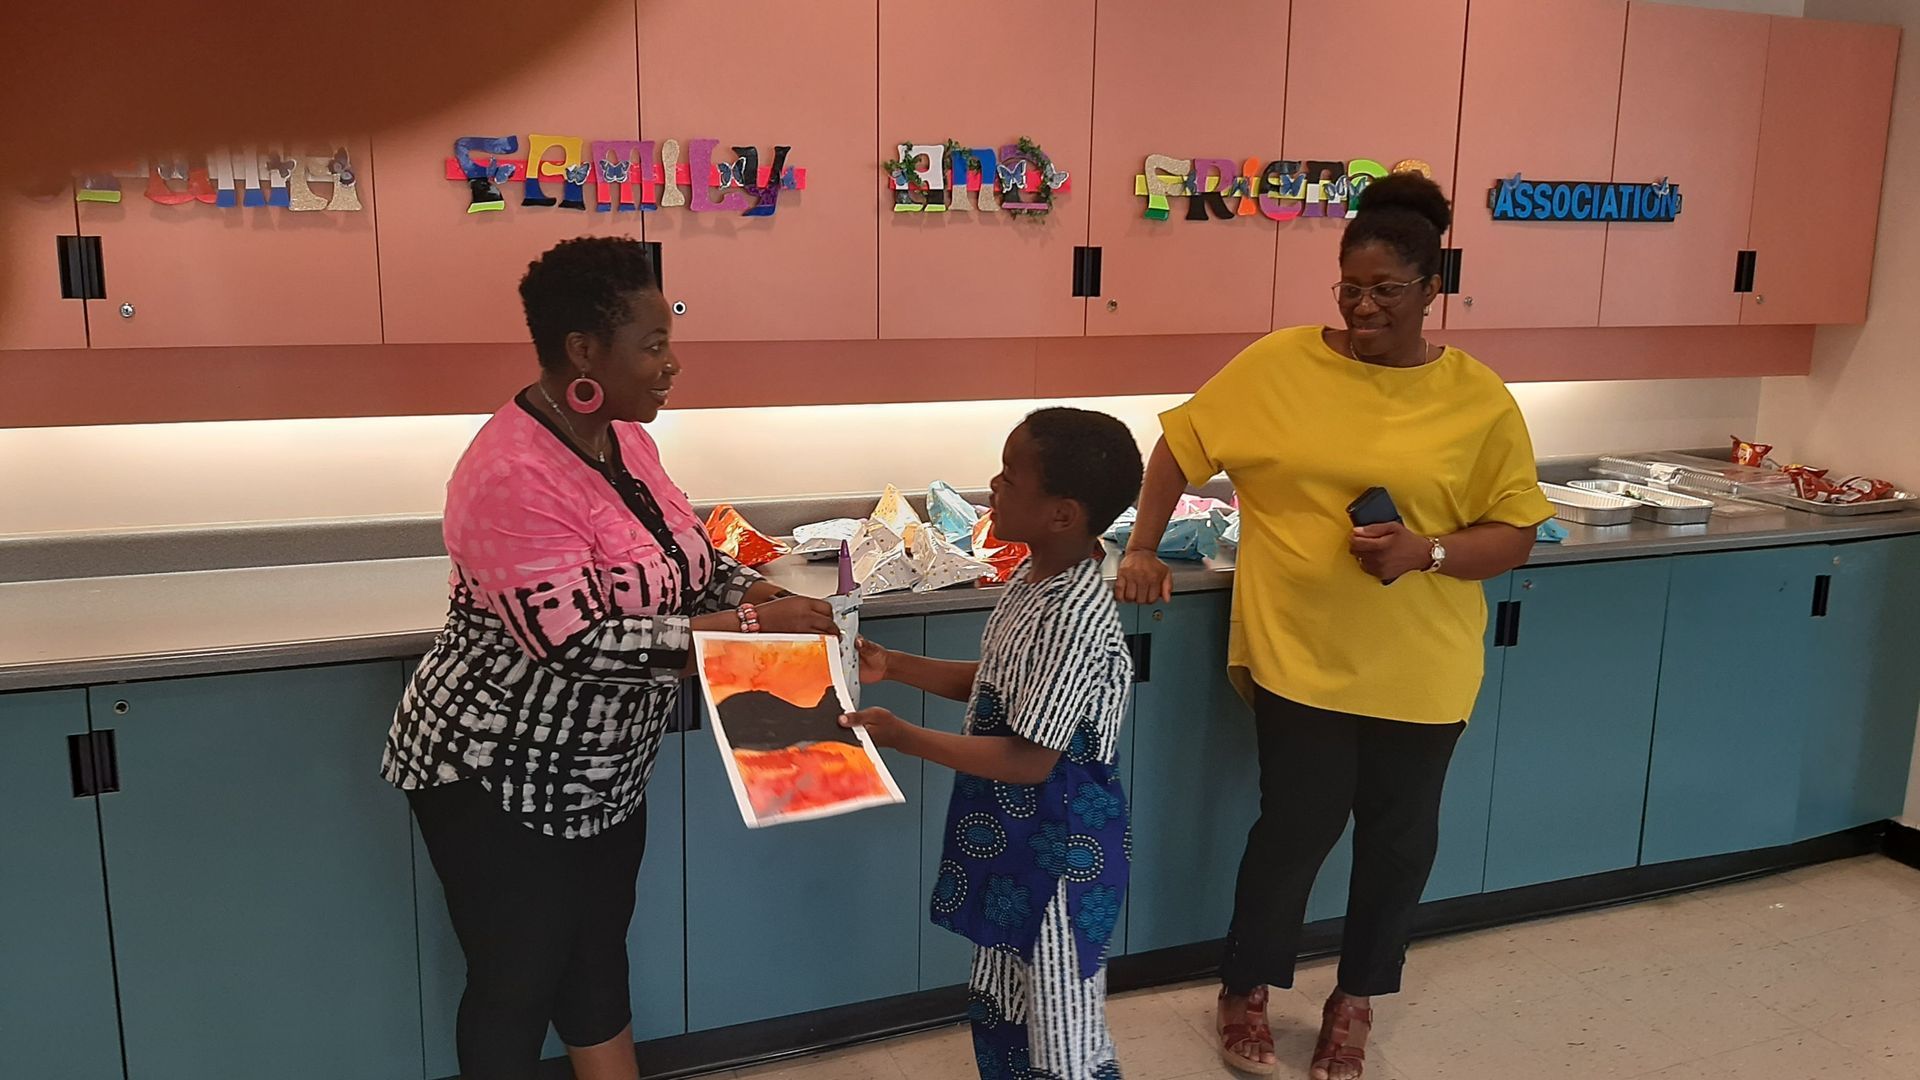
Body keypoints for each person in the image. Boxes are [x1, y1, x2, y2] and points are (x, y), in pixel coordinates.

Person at [1115, 173, 1555, 1080]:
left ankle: (1355, 1001)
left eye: (1385, 289)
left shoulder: (1478, 399)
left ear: (1433, 288)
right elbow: (1178, 446)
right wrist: (1145, 546)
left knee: (1398, 842)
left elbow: (1514, 533)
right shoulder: (1279, 364)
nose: (1362, 308)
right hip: (1300, 655)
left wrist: (1428, 552)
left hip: (1423, 665)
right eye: (1349, 288)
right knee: (1294, 830)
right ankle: (1245, 989)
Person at [381, 236, 838, 1080]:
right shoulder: (510, 474)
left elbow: (684, 561)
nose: (673, 365)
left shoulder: (624, 440)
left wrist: (757, 592)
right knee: (516, 984)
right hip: (497, 772)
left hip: (602, 771)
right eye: (654, 345)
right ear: (584, 351)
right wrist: (747, 624)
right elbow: (575, 641)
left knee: (595, 961)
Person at [843, 408, 1145, 1080]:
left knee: (1062, 1031)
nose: (994, 485)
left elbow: (1031, 758)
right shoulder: (1033, 579)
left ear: (1062, 514)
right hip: (1015, 838)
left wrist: (902, 736)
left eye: (1010, 476)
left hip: (1061, 856)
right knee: (1004, 1003)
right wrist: (896, 665)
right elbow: (998, 684)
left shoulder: (1074, 615)